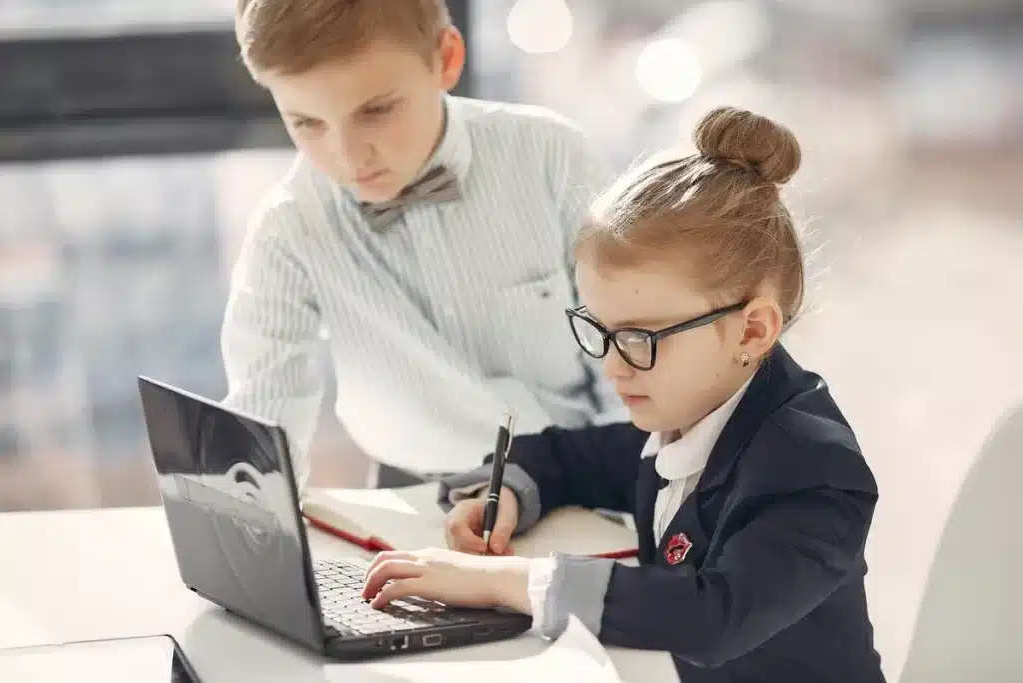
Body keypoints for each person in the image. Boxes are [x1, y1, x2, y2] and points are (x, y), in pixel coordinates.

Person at [360, 107, 886, 682]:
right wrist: (505, 494)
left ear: (752, 330)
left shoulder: (814, 467)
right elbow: (569, 458)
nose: (612, 366)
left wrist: (500, 584)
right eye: (601, 332)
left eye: (637, 338)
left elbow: (711, 615)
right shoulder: (693, 414)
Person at [224, 0, 622, 489]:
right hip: (409, 499)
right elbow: (264, 418)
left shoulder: (554, 160)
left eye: (376, 110)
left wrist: (626, 507)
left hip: (580, 477)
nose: (348, 158)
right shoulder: (287, 228)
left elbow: (630, 359)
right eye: (307, 123)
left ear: (447, 59)